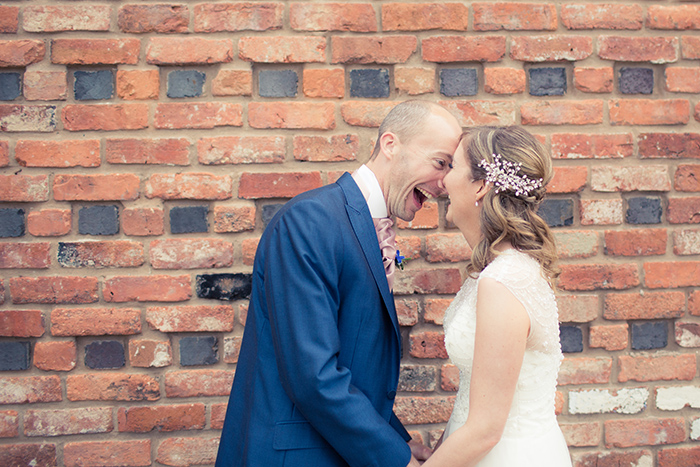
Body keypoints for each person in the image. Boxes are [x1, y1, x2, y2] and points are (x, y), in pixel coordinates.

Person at [215, 100, 463, 467]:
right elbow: (312, 375)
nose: (444, 183)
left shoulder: (364, 224)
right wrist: (394, 460)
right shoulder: (311, 221)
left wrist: (395, 442)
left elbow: (355, 363)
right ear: (391, 145)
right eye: (440, 162)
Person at [422, 126, 572, 467]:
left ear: (481, 185)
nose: (442, 181)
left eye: (452, 167)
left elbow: (486, 430)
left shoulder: (504, 281)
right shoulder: (496, 270)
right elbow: (472, 404)